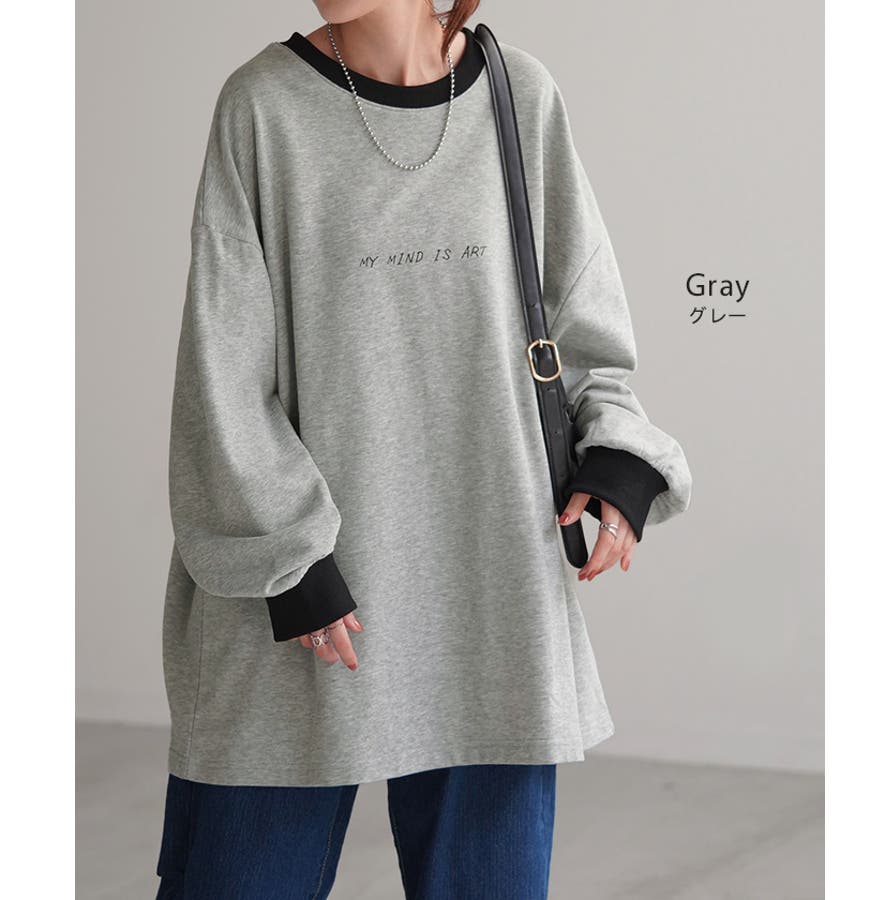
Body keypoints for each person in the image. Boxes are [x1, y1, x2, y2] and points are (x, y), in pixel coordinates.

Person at [154, 1, 692, 897]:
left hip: (491, 592)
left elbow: (581, 315)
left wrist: (620, 459)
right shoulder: (263, 107)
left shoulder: (519, 95)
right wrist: (287, 552)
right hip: (305, 600)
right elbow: (222, 369)